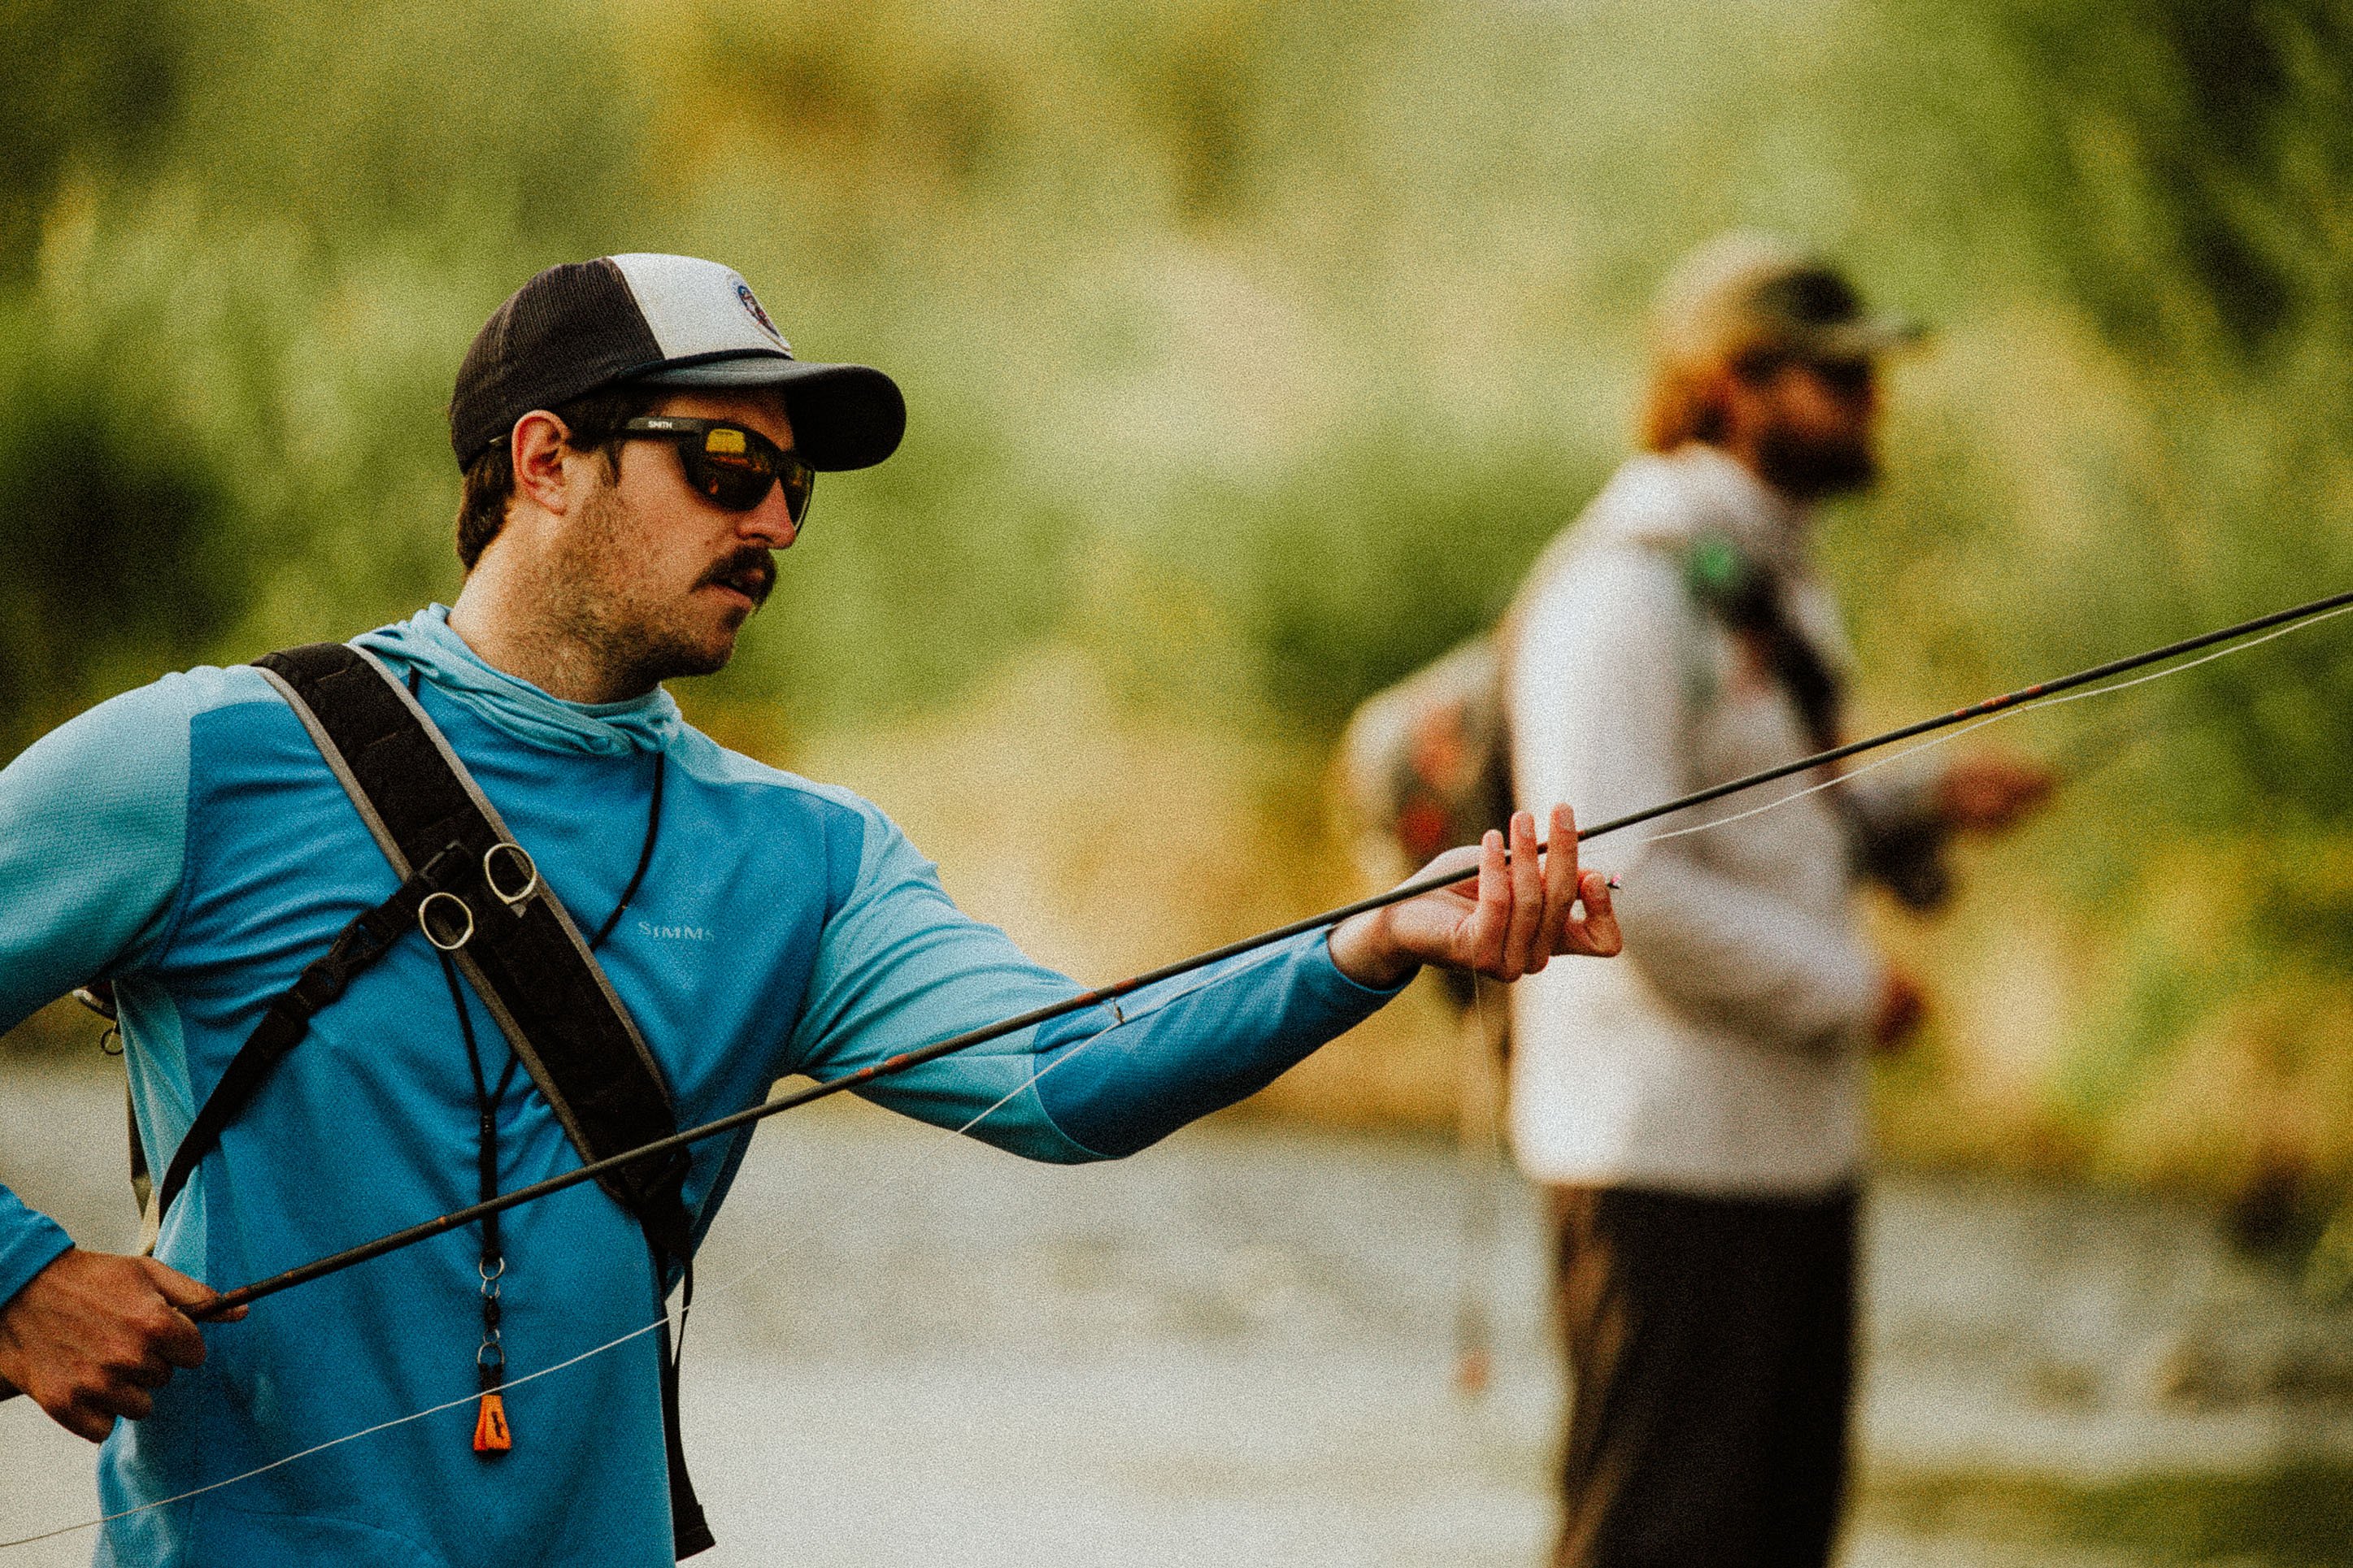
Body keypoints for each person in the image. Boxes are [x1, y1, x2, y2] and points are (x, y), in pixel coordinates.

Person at [0, 253, 1623, 1566]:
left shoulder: (807, 858)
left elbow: (1074, 1076)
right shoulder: (211, 756)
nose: (775, 522)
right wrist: (18, 1277)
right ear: (545, 459)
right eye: (727, 465)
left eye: (794, 487)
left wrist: (1374, 939)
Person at [1504, 232, 2050, 1568]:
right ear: (1728, 387)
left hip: (1786, 1151)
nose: (1872, 404)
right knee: (1659, 1538)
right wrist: (1853, 988)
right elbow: (1622, 880)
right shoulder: (1617, 595)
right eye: (1837, 378)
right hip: (1663, 1156)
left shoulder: (1768, 577)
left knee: (1778, 1538)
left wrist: (1919, 803)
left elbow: (1760, 819)